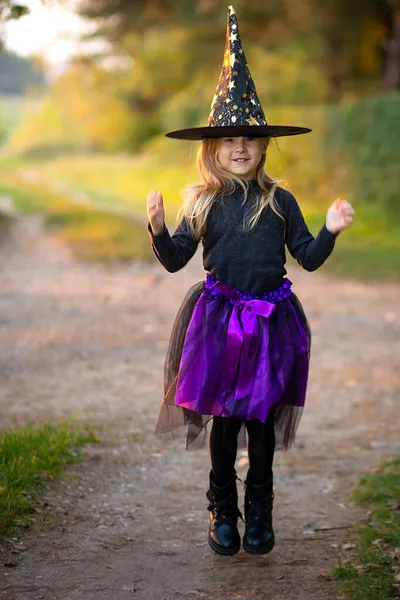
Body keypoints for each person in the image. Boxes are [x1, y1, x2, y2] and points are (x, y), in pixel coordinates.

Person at [147, 5, 355, 556]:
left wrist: (331, 230)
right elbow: (174, 260)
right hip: (218, 321)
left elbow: (307, 258)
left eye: (250, 139)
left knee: (260, 421)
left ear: (265, 146)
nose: (239, 147)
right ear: (211, 150)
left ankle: (260, 505)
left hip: (270, 321)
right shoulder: (204, 203)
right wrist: (158, 227)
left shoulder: (280, 202)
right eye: (228, 141)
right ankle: (222, 506)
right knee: (226, 419)